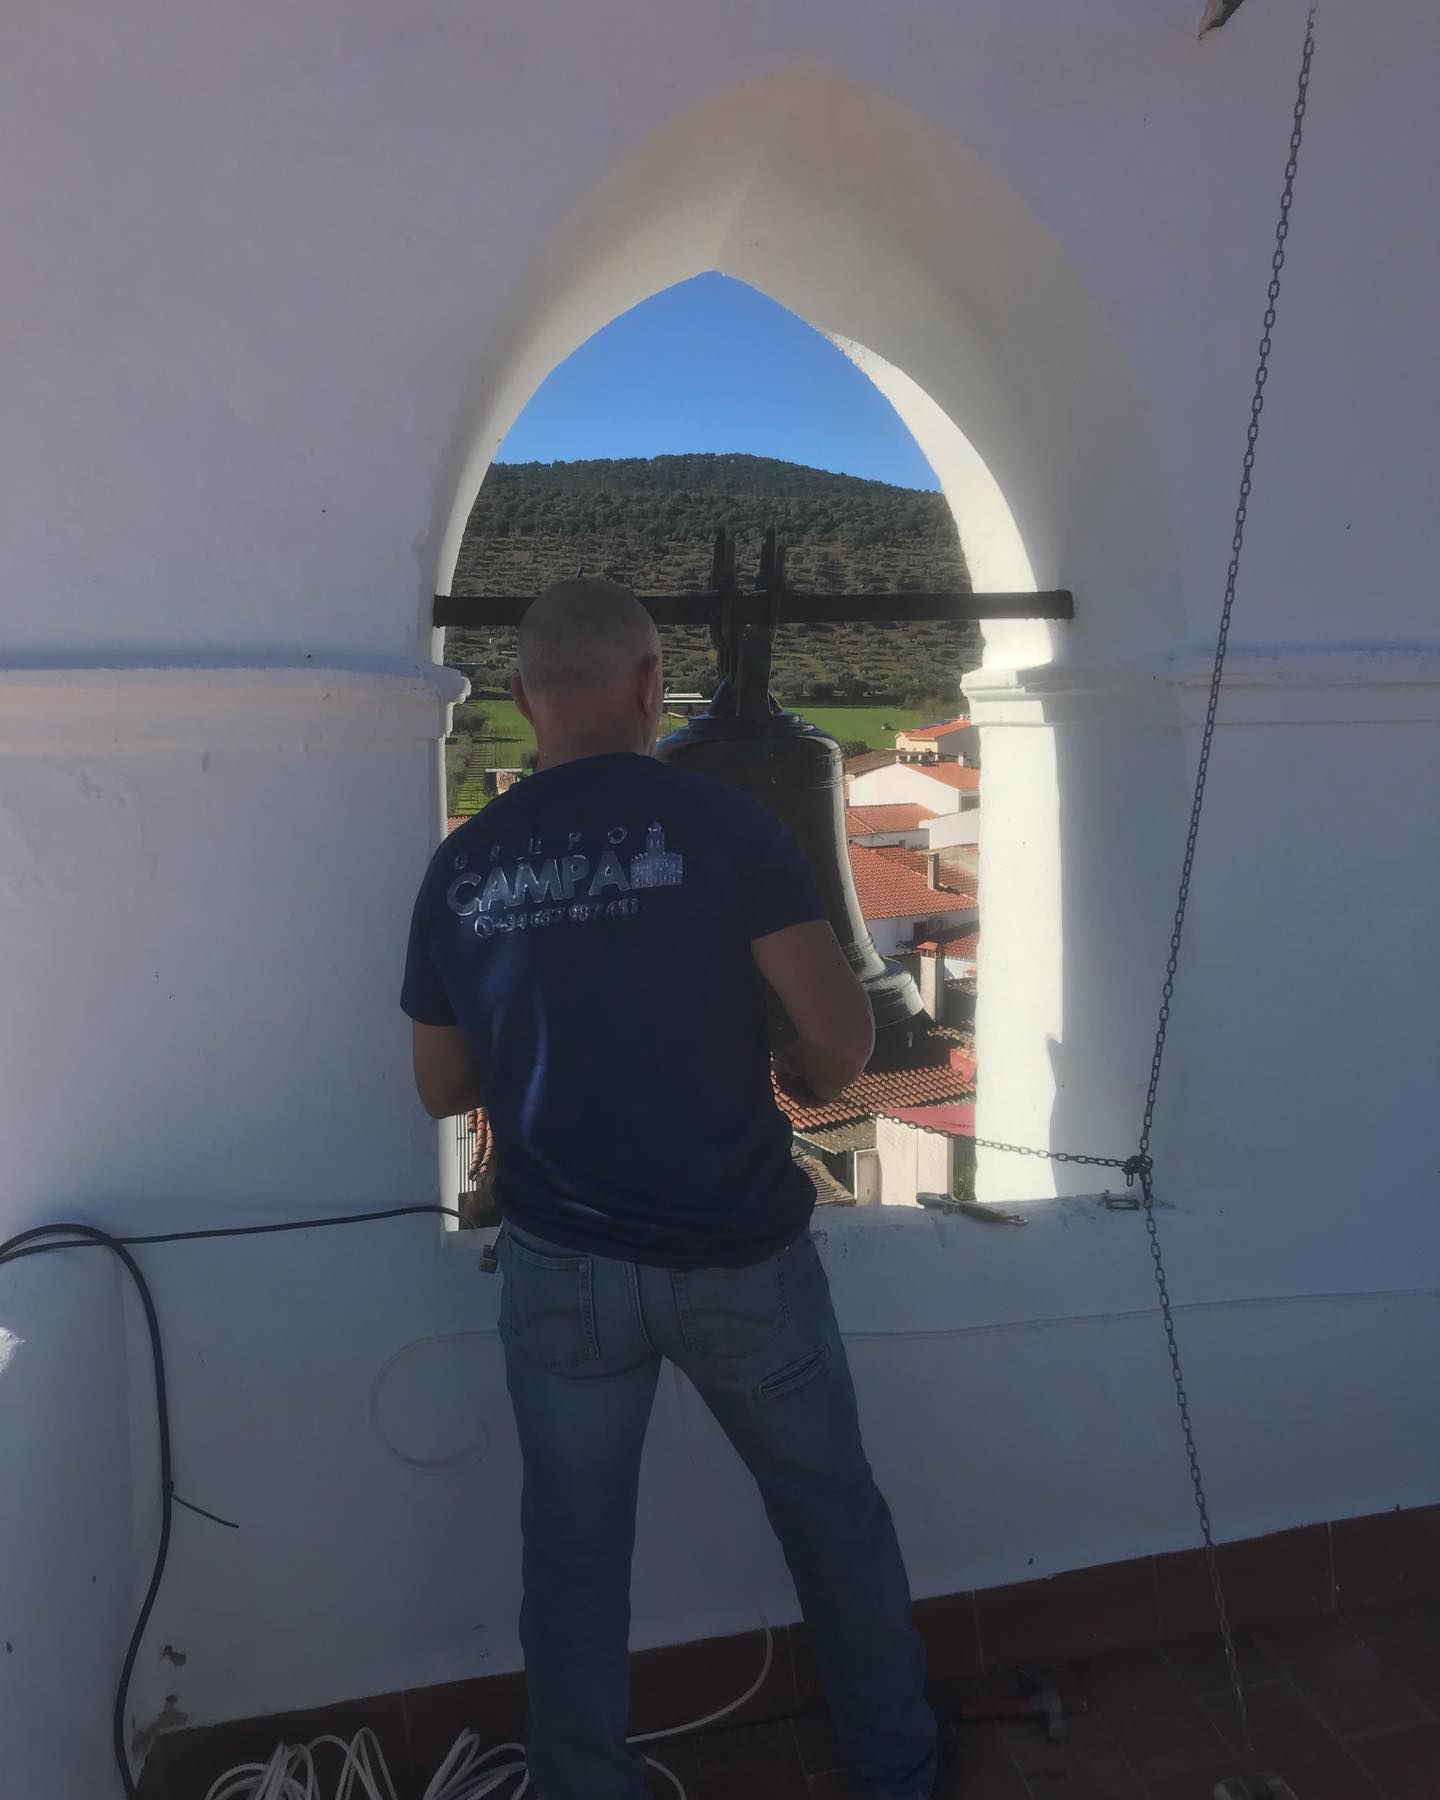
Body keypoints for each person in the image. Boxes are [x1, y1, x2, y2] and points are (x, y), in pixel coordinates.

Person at [401, 578, 951, 1800]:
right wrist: (793, 1063)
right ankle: (898, 1771)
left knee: (576, 1561)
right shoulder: (727, 828)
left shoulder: (466, 865)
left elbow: (441, 1089)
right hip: (743, 1261)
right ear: (654, 686)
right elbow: (844, 1042)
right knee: (833, 1521)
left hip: (562, 1277)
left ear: (523, 698)